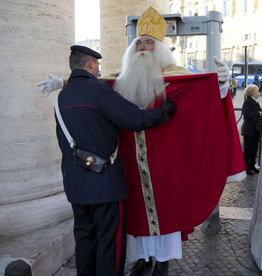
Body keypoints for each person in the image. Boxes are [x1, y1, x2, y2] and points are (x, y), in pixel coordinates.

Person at [39, 7, 245, 276]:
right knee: (135, 215)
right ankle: (143, 259)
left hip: (165, 163)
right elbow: (95, 86)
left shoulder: (177, 75)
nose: (144, 47)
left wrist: (219, 85)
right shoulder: (121, 79)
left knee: (165, 211)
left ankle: (162, 261)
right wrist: (64, 83)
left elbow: (199, 96)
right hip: (130, 166)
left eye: (149, 42)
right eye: (139, 42)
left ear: (160, 47)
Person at [54, 45, 175, 276]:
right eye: (97, 64)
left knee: (85, 241)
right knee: (110, 244)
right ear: (90, 64)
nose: (99, 69)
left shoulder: (62, 97)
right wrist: (165, 112)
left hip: (75, 186)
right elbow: (136, 118)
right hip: (105, 186)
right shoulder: (99, 92)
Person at [241, 85, 262, 175]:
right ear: (251, 92)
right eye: (257, 91)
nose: (258, 93)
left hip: (254, 130)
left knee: (254, 149)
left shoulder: (254, 102)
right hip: (249, 130)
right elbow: (246, 115)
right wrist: (258, 113)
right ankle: (246, 168)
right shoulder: (247, 102)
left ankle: (252, 166)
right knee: (248, 150)